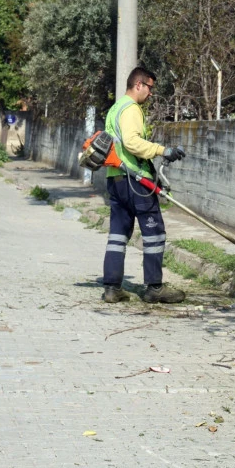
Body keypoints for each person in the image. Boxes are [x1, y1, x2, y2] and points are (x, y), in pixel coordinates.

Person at [100, 67, 187, 304]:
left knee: (118, 234)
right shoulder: (131, 109)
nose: (151, 94)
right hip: (135, 180)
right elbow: (132, 143)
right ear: (138, 85)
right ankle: (154, 288)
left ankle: (111, 288)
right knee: (154, 233)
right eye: (149, 88)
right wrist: (163, 150)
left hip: (115, 178)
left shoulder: (115, 109)